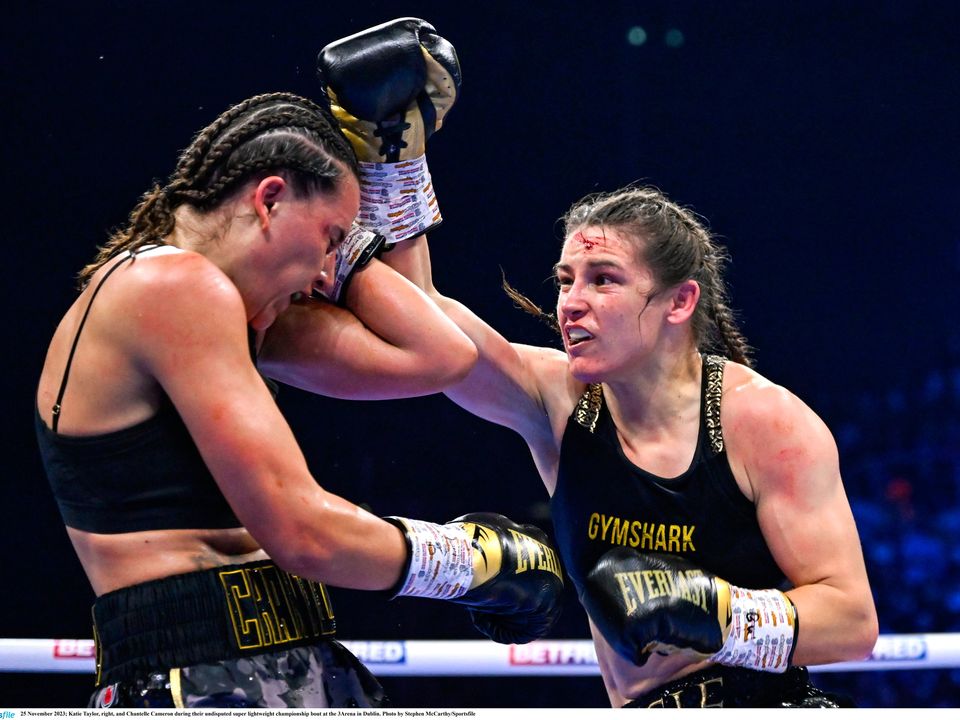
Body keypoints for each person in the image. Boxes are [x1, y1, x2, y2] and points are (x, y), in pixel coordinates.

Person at [320, 19, 880, 708]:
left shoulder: (763, 420)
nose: (571, 303)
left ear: (679, 303)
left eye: (603, 280)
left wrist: (716, 614)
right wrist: (393, 162)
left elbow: (853, 622)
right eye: (564, 280)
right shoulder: (558, 399)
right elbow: (423, 325)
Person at [35, 87, 564, 709]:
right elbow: (301, 530)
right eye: (331, 238)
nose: (326, 272)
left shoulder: (230, 317)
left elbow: (441, 356)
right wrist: (469, 562)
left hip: (266, 662)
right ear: (269, 200)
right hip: (201, 676)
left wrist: (392, 170)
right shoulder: (171, 286)